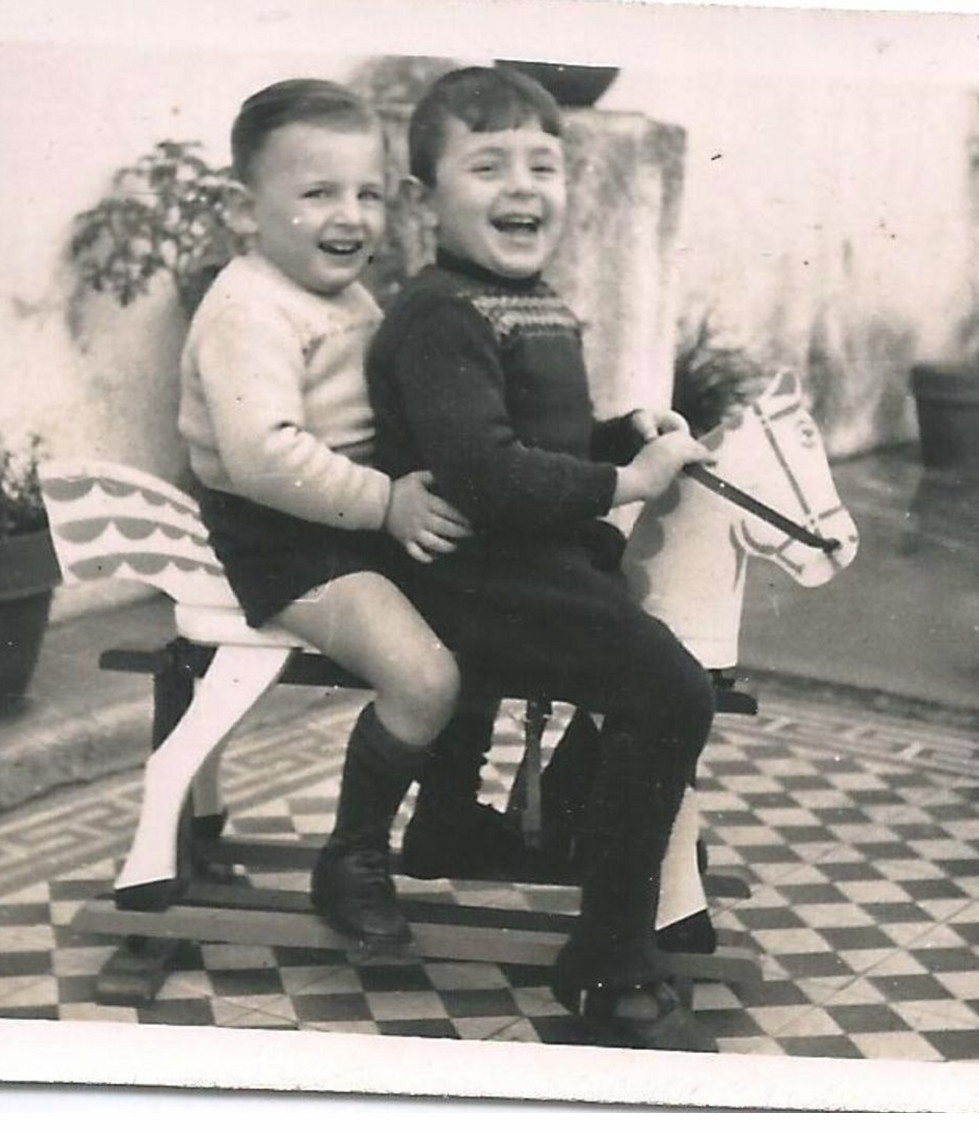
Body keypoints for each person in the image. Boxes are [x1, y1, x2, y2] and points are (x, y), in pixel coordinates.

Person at [366, 66, 720, 1052]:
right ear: (421, 200)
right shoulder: (442, 314)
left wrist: (619, 433)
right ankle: (605, 959)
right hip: (471, 577)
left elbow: (543, 444)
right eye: (486, 166)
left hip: (525, 566)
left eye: (542, 164)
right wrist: (628, 481)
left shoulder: (528, 301)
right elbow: (484, 474)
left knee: (644, 644)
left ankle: (465, 826)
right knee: (673, 693)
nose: (522, 186)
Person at [179, 78, 468, 952]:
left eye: (368, 192)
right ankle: (351, 857)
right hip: (280, 536)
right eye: (318, 193)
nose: (352, 216)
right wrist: (387, 503)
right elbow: (264, 456)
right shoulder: (247, 308)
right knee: (423, 678)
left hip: (346, 517)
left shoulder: (346, 297)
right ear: (243, 211)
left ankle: (457, 815)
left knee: (505, 608)